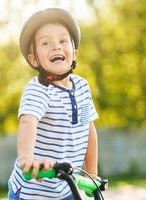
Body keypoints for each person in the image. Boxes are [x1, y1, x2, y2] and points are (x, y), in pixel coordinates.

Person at [8, 8, 99, 200]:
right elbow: (28, 122)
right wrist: (27, 161)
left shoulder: (82, 87)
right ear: (34, 59)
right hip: (32, 192)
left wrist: (92, 174)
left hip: (67, 189)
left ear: (74, 53)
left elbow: (88, 129)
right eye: (45, 43)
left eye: (62, 41)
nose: (56, 47)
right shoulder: (39, 90)